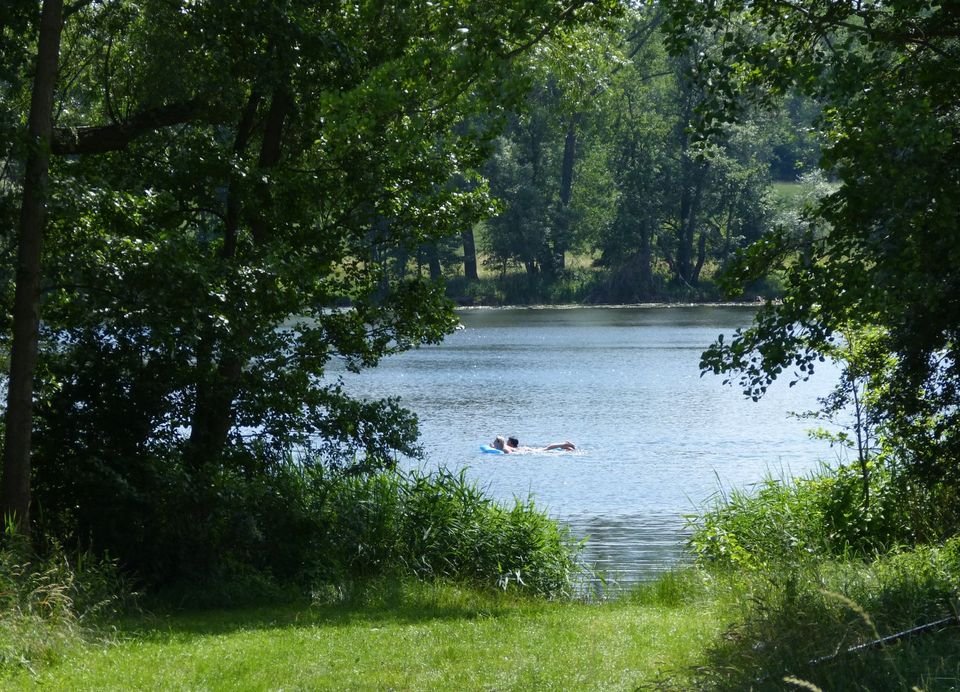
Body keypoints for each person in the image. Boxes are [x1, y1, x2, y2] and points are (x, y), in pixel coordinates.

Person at [492, 435, 576, 453]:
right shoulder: (507, 447)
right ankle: (565, 447)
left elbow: (502, 444)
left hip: (528, 450)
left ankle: (565, 444)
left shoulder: (506, 448)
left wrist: (496, 443)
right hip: (525, 449)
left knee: (546, 449)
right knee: (546, 448)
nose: (507, 442)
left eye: (508, 441)